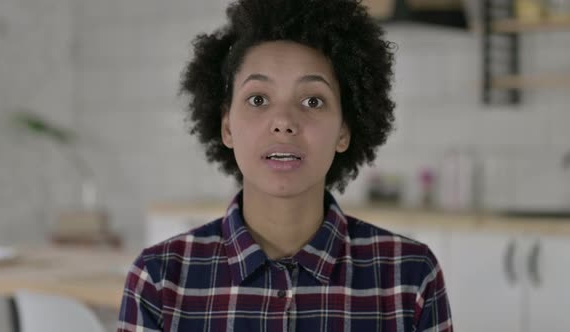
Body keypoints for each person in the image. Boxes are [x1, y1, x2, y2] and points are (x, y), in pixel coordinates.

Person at [117, 0, 453, 331]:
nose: (283, 122)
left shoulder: (411, 277)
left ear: (343, 131)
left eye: (312, 101)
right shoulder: (159, 281)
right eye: (258, 99)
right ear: (227, 127)